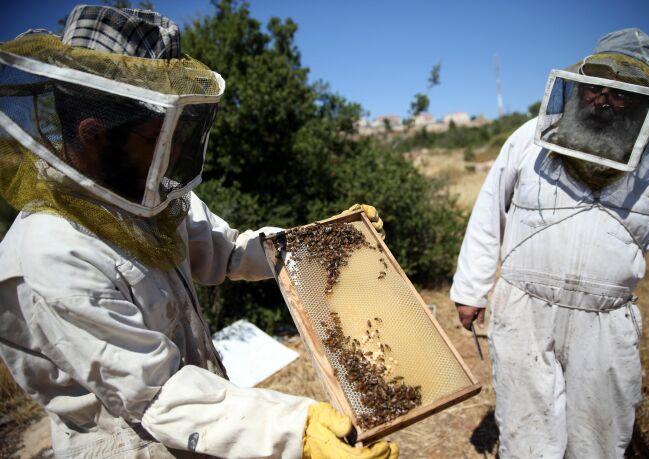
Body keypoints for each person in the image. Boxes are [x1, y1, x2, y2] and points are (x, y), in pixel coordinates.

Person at [0, 5, 396, 459]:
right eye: (155, 139)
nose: (169, 157)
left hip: (207, 426)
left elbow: (227, 253)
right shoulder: (51, 254)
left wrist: (318, 243)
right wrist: (294, 431)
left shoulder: (149, 200)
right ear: (95, 135)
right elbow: (157, 392)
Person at [450, 28, 649, 458]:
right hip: (523, 308)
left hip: (605, 321)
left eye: (622, 92)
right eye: (597, 84)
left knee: (598, 438)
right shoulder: (530, 137)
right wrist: (470, 289)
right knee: (526, 433)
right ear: (580, 84)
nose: (604, 97)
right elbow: (489, 212)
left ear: (644, 102)